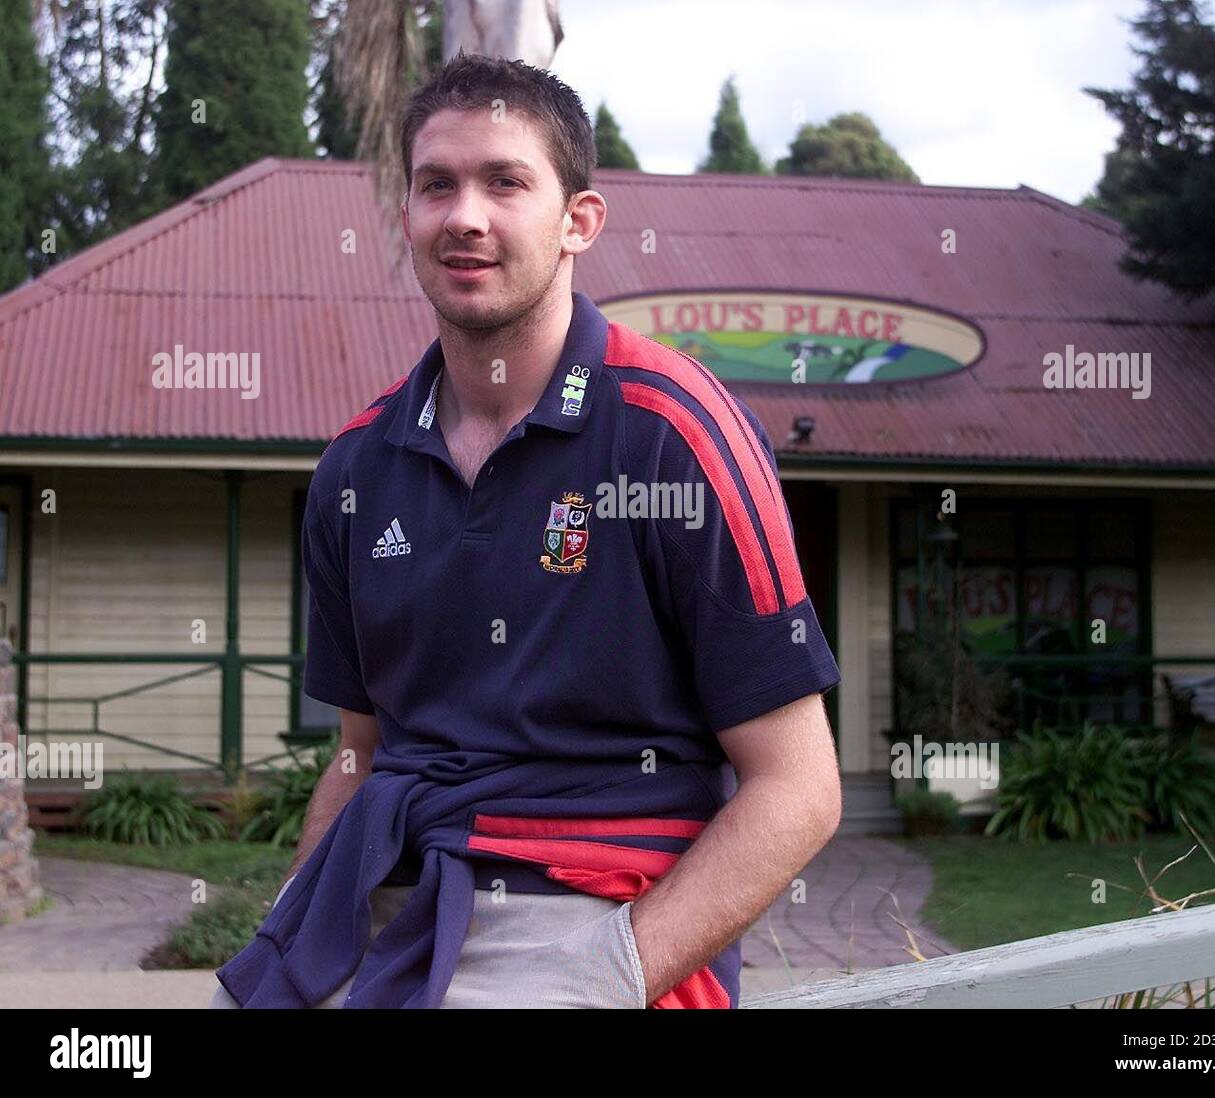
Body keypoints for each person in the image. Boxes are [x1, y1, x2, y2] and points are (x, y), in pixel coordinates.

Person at [210, 51, 841, 1010]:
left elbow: (799, 788)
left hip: (591, 903)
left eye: (506, 181)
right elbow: (361, 755)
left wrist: (605, 976)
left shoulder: (676, 434)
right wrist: (294, 932)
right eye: (436, 186)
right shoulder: (356, 466)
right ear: (409, 219)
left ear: (577, 220)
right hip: (391, 885)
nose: (466, 215)